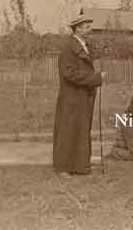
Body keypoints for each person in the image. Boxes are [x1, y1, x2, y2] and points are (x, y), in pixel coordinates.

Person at [53, 14, 106, 177]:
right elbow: (69, 73)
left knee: (82, 130)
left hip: (82, 96)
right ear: (78, 28)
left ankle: (81, 166)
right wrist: (96, 78)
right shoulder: (69, 47)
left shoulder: (84, 45)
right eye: (87, 26)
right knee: (68, 130)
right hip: (71, 97)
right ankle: (63, 168)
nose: (90, 29)